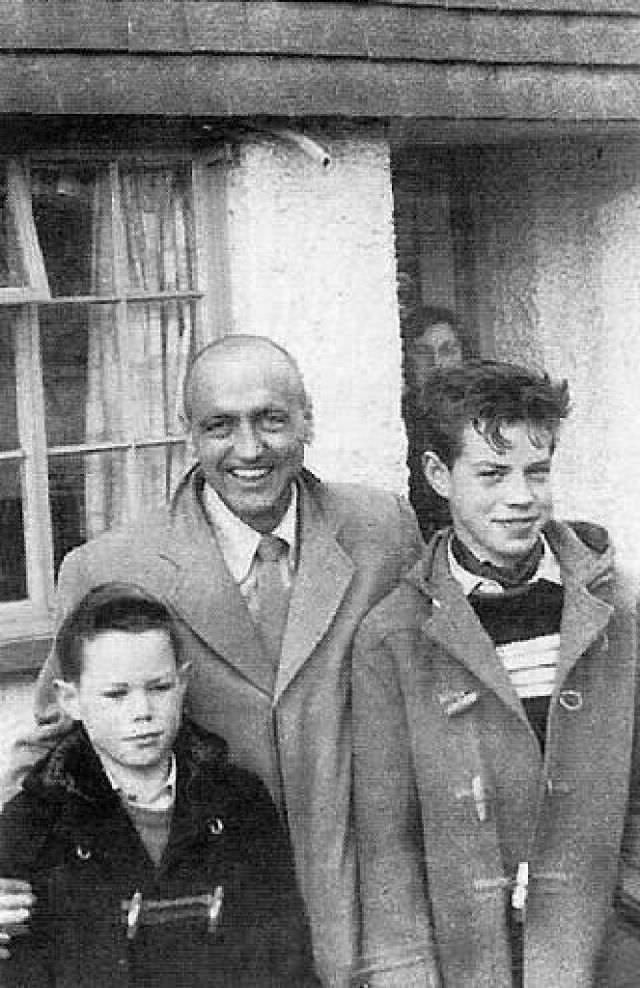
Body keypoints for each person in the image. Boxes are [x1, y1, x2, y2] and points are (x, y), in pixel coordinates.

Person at [0, 334, 423, 987]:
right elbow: (51, 751)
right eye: (220, 426)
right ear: (187, 434)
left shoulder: (383, 530)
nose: (249, 449)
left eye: (272, 420)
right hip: (222, 935)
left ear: (307, 417)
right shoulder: (110, 566)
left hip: (369, 919)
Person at [352, 360, 639, 987]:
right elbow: (387, 847)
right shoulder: (393, 637)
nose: (521, 497)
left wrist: (628, 903)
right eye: (491, 474)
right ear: (437, 475)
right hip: (471, 959)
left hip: (608, 950)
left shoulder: (619, 611)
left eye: (537, 472)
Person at [0, 583, 319, 987]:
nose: (142, 712)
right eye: (116, 695)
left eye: (159, 687)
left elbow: (287, 962)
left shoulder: (239, 802)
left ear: (183, 683)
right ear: (70, 700)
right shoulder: (33, 825)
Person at [403, 306, 465, 541]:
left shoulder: (477, 416)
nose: (437, 363)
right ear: (406, 360)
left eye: (448, 350)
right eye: (423, 352)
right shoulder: (401, 423)